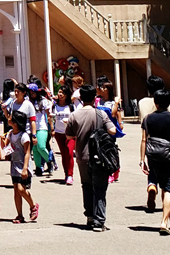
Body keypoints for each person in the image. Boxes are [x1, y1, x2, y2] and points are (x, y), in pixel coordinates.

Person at [65, 84, 117, 231]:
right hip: (100, 156)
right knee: (99, 188)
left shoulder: (74, 115)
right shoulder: (101, 114)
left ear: (80, 98)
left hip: (82, 156)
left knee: (86, 186)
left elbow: (69, 136)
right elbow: (112, 130)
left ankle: (90, 215)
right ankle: (99, 221)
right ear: (95, 98)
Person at [140, 89, 170, 235]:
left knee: (163, 186)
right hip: (169, 156)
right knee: (169, 189)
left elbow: (144, 139)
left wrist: (142, 160)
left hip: (153, 156)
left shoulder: (148, 118)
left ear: (156, 102)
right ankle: (164, 222)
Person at [137, 76, 170, 208]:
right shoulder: (165, 101)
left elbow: (143, 136)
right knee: (166, 173)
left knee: (153, 169)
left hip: (149, 140)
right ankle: (166, 202)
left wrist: (142, 159)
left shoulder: (142, 102)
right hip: (166, 140)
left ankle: (151, 186)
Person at [2, 110, 39, 223]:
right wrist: (3, 141)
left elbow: (27, 153)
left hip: (23, 165)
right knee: (16, 191)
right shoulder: (10, 134)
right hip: (14, 165)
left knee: (21, 189)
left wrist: (25, 169)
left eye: (11, 118)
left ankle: (33, 206)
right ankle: (19, 215)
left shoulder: (24, 136)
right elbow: (6, 148)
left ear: (16, 122)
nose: (8, 119)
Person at [96, 79, 125, 183]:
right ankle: (107, 170)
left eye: (104, 87)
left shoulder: (112, 102)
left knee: (111, 149)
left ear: (108, 90)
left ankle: (114, 169)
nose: (101, 89)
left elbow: (114, 114)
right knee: (101, 149)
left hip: (111, 128)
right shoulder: (98, 100)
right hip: (100, 128)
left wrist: (116, 103)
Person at [51, 85, 76, 185]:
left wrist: (69, 122)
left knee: (70, 153)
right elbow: (51, 118)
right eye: (59, 92)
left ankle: (70, 175)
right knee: (64, 154)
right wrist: (52, 128)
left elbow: (74, 118)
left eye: (63, 93)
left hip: (70, 133)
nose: (60, 94)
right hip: (58, 133)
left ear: (67, 95)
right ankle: (66, 174)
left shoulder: (70, 106)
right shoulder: (54, 106)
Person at [28, 83, 52, 176]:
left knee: (41, 147)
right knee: (35, 149)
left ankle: (49, 161)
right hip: (31, 127)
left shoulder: (43, 100)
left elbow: (48, 115)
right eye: (30, 93)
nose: (32, 94)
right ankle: (38, 167)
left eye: (33, 92)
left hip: (42, 126)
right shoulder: (28, 101)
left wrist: (51, 127)